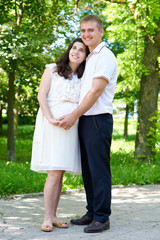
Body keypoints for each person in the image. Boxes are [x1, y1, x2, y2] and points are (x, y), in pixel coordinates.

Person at [58, 15, 118, 233]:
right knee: (88, 170)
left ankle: (102, 217)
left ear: (101, 31)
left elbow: (95, 92)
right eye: (83, 30)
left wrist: (74, 115)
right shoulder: (90, 57)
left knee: (99, 170)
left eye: (91, 30)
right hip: (85, 119)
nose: (86, 35)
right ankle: (92, 211)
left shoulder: (106, 57)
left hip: (97, 119)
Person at [30, 38, 89, 232]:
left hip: (70, 126)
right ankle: (47, 217)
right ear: (69, 50)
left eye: (82, 50)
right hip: (52, 124)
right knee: (53, 172)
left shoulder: (83, 76)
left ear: (85, 56)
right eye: (74, 48)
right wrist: (51, 119)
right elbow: (41, 96)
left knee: (60, 172)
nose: (76, 52)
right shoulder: (52, 69)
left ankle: (54, 215)